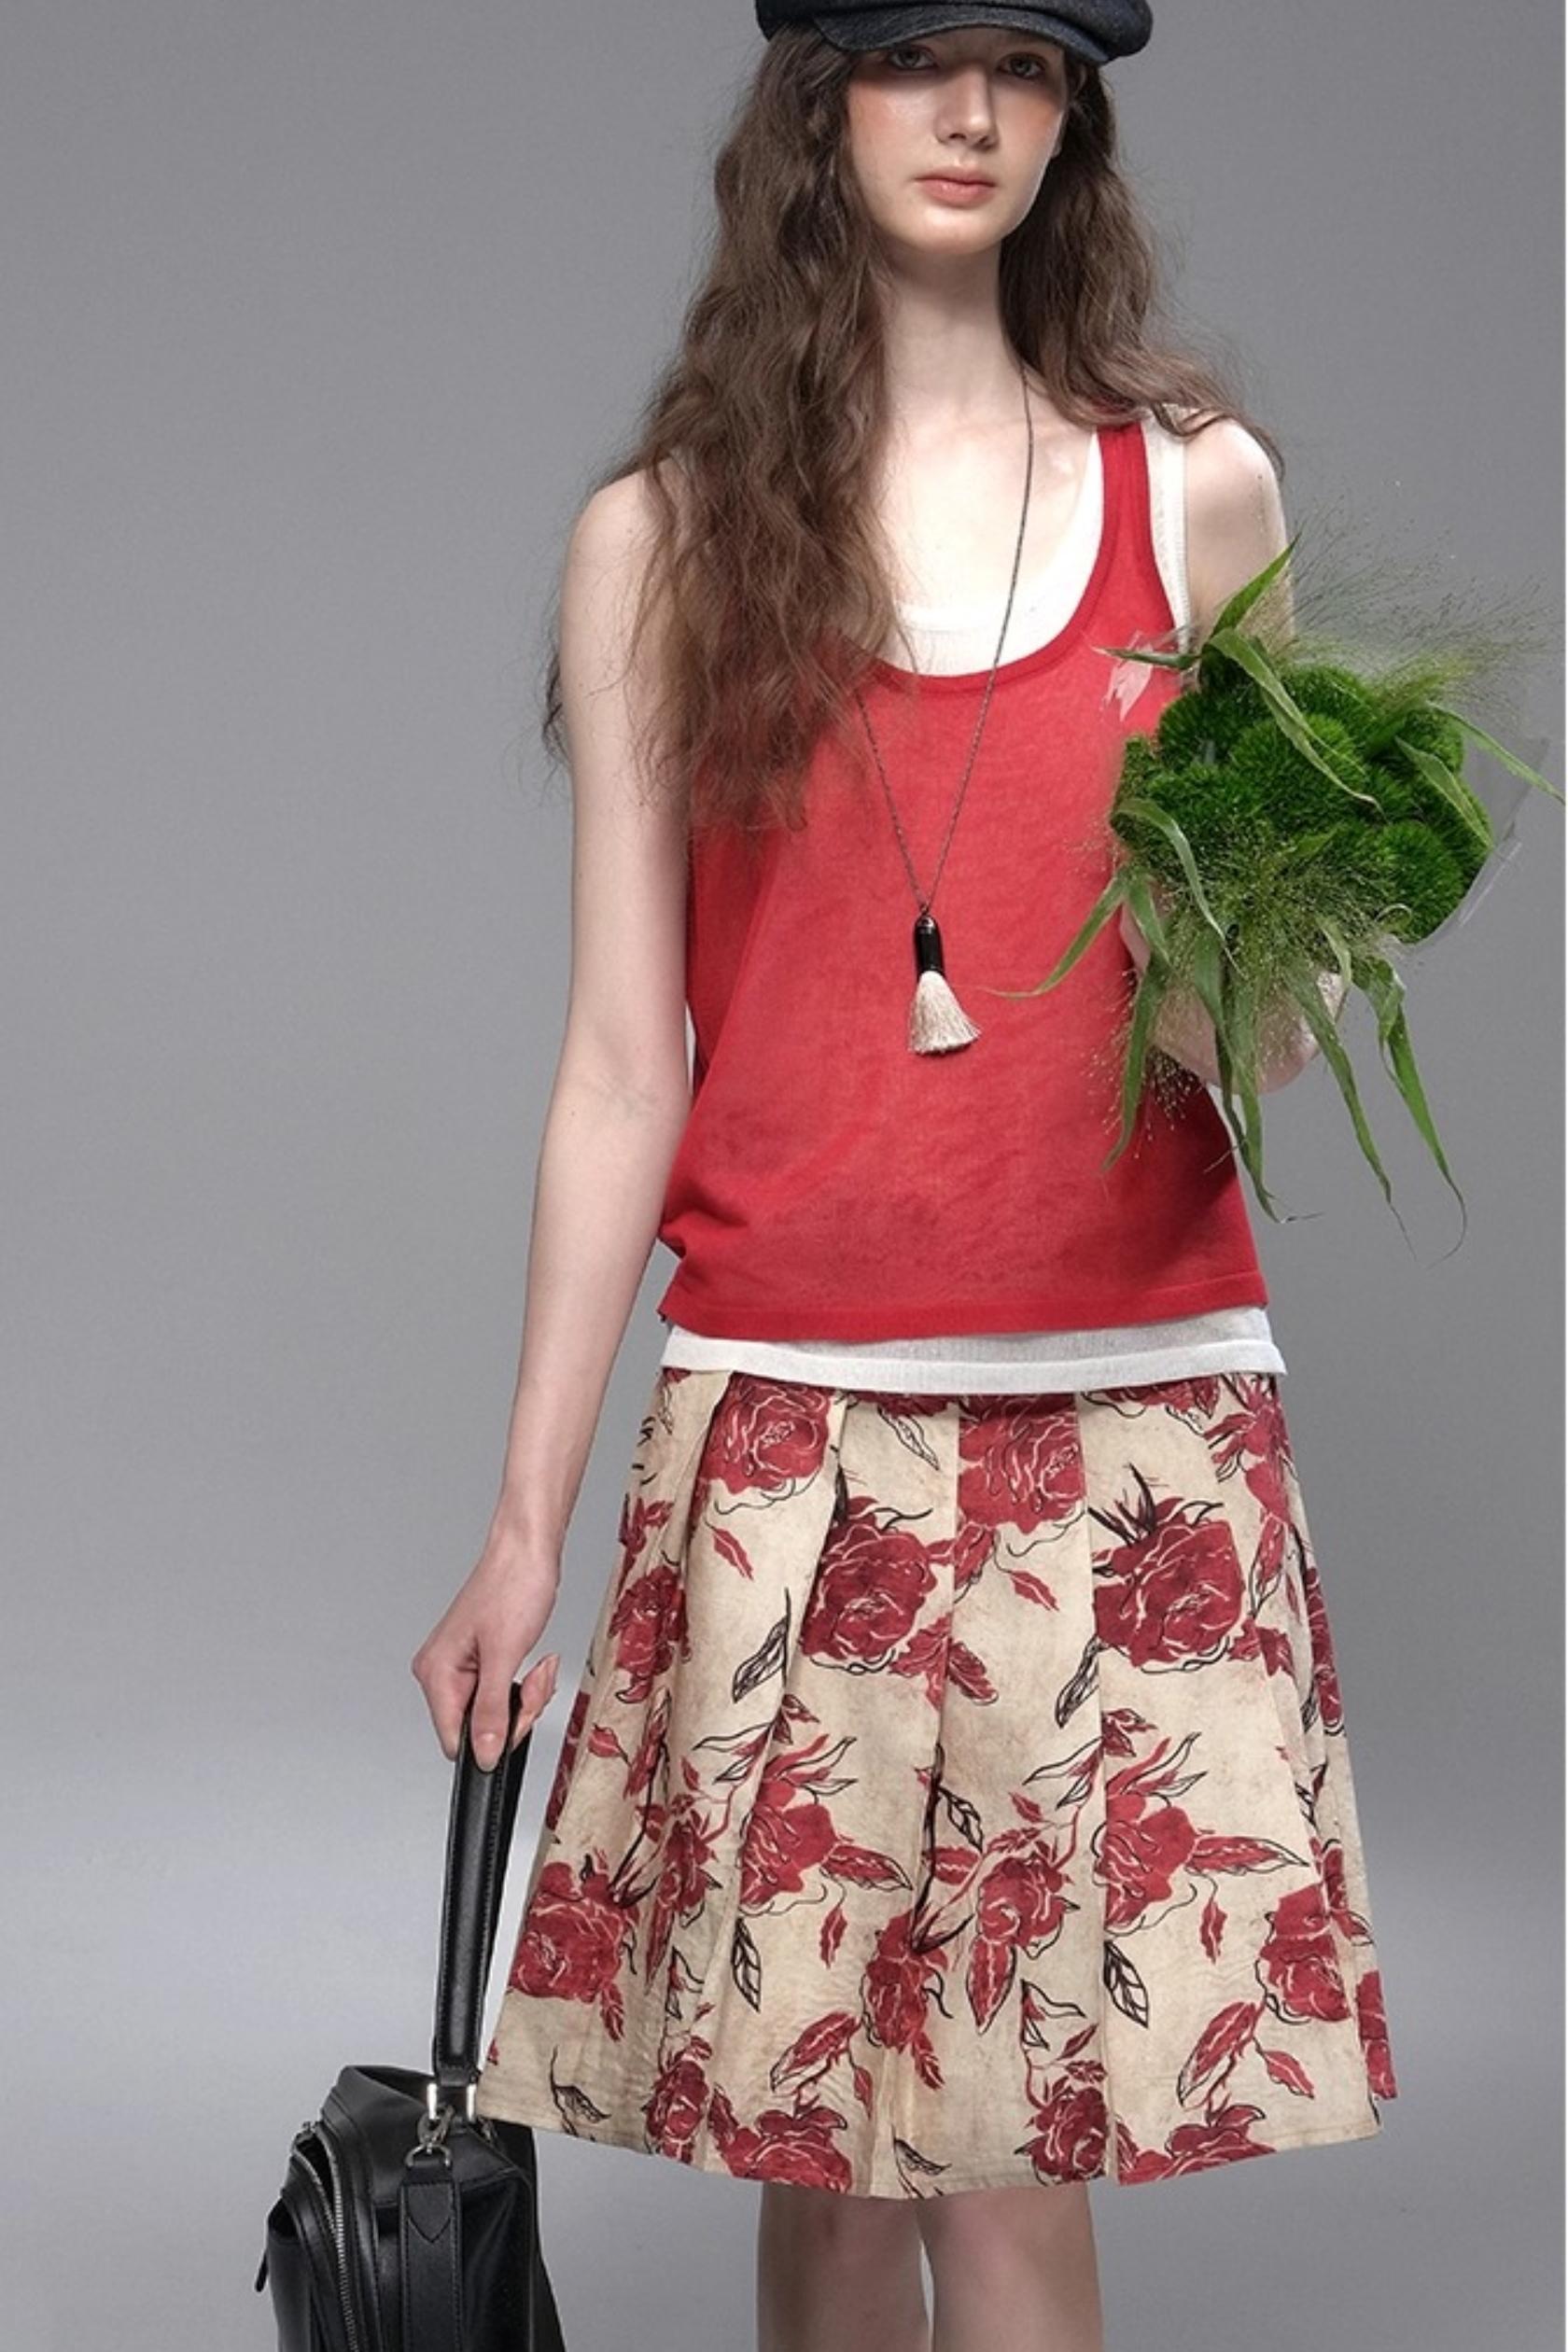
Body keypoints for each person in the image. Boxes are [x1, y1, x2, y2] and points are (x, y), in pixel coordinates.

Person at [411, 7, 1395, 2346]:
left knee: (1026, 2171)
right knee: (827, 2172)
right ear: (814, 102)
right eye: (915, 56)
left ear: (1075, 119)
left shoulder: (1199, 494)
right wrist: (526, 1520)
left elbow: (1251, 1038)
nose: (970, 115)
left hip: (1125, 1420)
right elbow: (623, 1065)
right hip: (792, 1432)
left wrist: (1267, 927)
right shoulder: (665, 542)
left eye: (1026, 65)